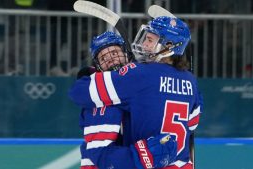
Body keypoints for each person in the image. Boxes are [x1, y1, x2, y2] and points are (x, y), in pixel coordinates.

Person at [70, 16, 203, 169]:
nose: (144, 44)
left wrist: (91, 75)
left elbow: (79, 92)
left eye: (150, 40)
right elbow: (192, 124)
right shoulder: (190, 81)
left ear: (169, 45)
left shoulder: (140, 74)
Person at [77, 31, 178, 169]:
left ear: (126, 54)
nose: (110, 59)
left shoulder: (137, 84)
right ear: (98, 66)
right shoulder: (98, 101)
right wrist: (143, 157)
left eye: (114, 53)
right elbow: (100, 154)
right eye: (103, 58)